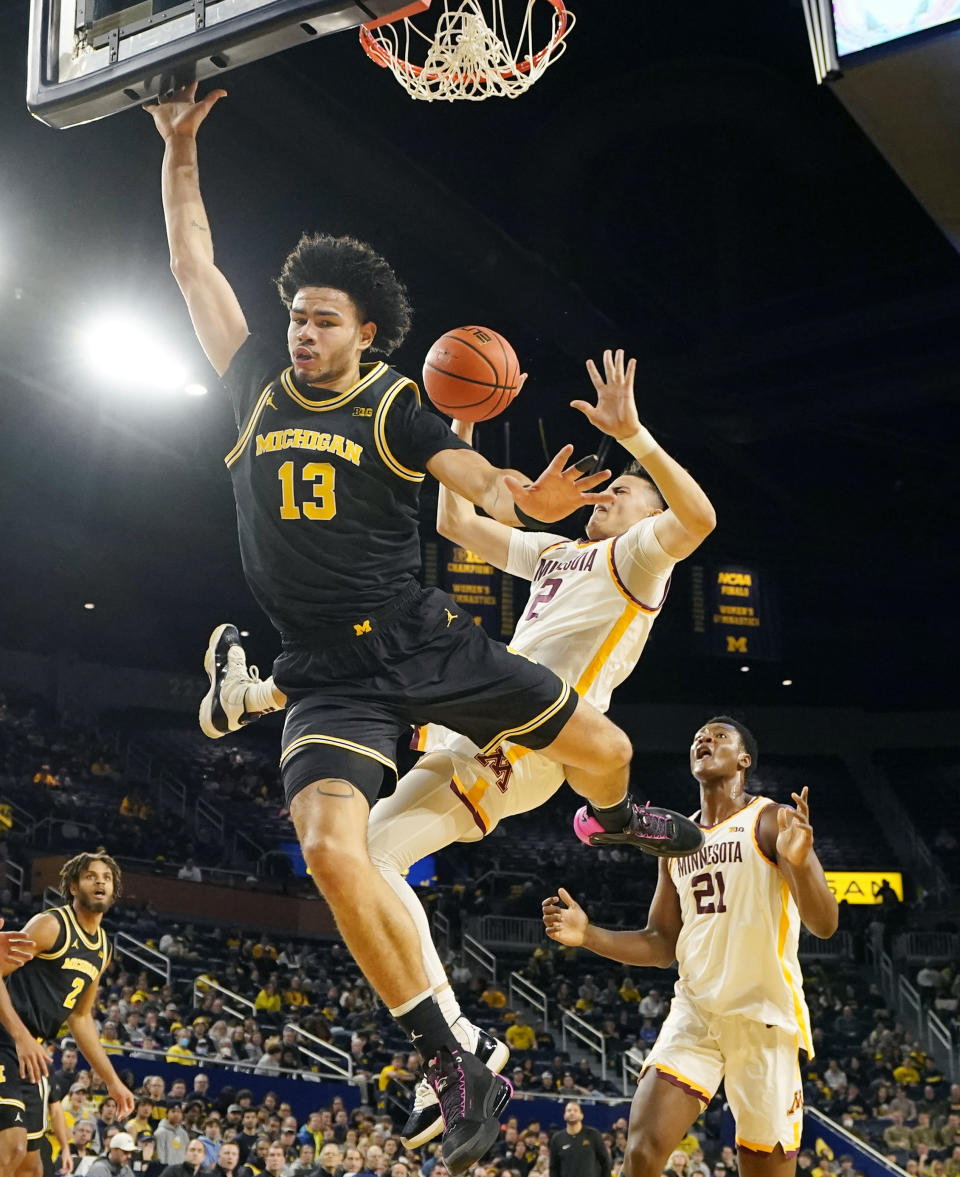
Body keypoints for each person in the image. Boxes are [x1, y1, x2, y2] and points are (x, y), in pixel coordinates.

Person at [147, 81, 702, 1176]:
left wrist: (519, 499)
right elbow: (190, 265)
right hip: (329, 676)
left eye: (324, 321)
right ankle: (455, 1056)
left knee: (607, 751)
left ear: (364, 334)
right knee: (328, 850)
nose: (304, 333)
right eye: (297, 316)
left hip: (420, 641)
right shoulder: (254, 381)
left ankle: (624, 815)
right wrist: (177, 150)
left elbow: (466, 474)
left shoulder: (395, 401)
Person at [206, 351, 715, 1149]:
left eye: (622, 492)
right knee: (356, 860)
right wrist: (459, 422)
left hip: (526, 746)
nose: (608, 493)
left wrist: (636, 437)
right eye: (610, 486)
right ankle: (464, 1030)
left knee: (366, 856)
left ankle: (604, 827)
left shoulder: (636, 555)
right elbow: (456, 524)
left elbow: (698, 521)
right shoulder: (555, 554)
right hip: (477, 715)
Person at [542, 717, 840, 1177]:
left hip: (761, 1016)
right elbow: (662, 945)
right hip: (696, 1012)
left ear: (744, 760)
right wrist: (589, 935)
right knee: (641, 1150)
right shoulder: (675, 841)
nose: (705, 739)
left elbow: (825, 924)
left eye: (720, 736)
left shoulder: (770, 819)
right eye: (699, 735)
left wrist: (799, 866)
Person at [0, 852, 135, 1177]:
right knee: (11, 1146)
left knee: (31, 1167)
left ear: (114, 890)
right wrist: (20, 1036)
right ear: (73, 886)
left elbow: (81, 1018)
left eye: (107, 877)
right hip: (5, 1035)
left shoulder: (103, 947)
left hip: (30, 1050)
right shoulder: (51, 925)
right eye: (91, 876)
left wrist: (112, 1081)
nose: (100, 881)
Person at [548, 1103, 611, 1177]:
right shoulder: (557, 1138)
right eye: (569, 1110)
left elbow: (605, 1162)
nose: (572, 1113)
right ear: (564, 1115)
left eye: (575, 1110)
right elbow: (553, 1168)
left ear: (581, 1115)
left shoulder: (593, 1135)